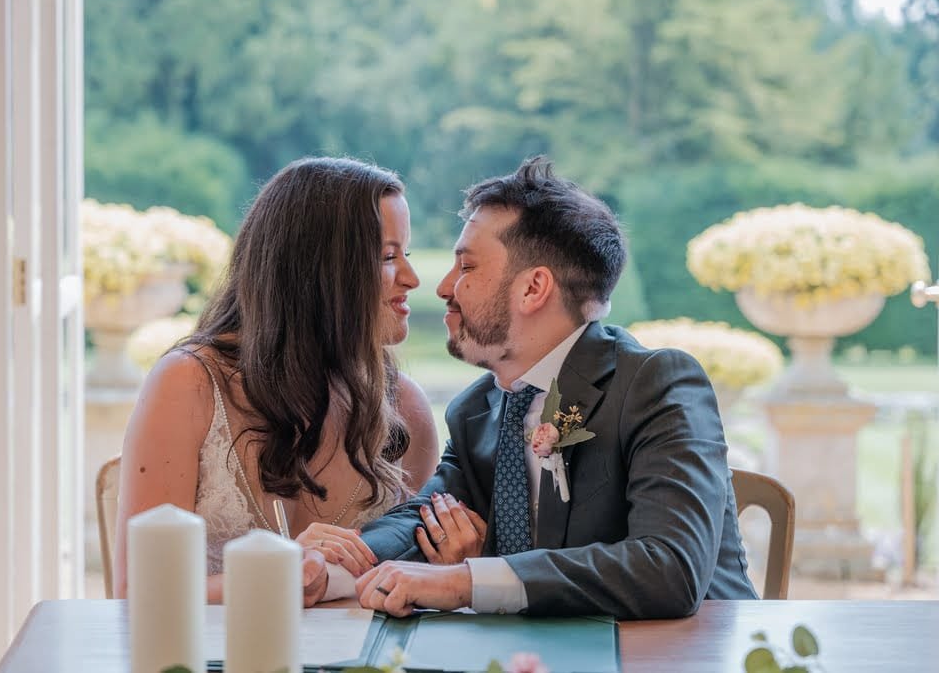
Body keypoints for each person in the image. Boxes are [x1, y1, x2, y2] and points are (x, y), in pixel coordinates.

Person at [350, 156, 759, 618]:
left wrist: (468, 582)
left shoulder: (657, 385)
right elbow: (422, 518)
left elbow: (669, 568)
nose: (444, 286)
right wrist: (338, 564)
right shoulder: (476, 410)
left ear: (533, 288)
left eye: (466, 267)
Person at [113, 157, 440, 605]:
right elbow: (136, 594)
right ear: (318, 270)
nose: (412, 278)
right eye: (387, 256)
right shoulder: (189, 385)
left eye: (407, 253)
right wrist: (274, 573)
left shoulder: (405, 409)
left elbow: (414, 578)